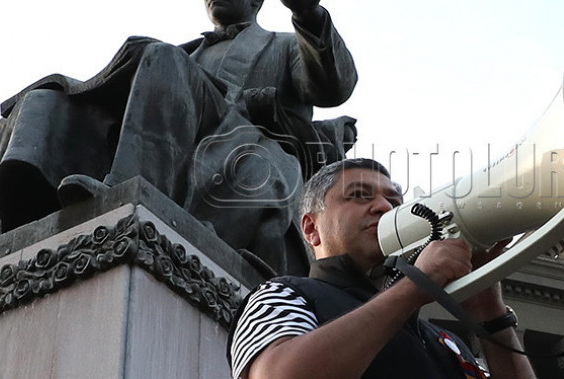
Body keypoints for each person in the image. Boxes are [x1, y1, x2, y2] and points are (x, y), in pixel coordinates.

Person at [0, 0, 357, 277]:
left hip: (238, 146)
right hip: (181, 142)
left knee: (161, 55)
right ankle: (10, 231)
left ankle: (126, 193)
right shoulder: (187, 53)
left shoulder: (284, 45)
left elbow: (332, 87)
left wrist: (307, 14)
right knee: (45, 98)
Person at [228, 158, 537, 378]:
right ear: (311, 228)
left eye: (394, 202)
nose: (384, 208)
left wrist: (490, 315)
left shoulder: (447, 343)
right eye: (358, 196)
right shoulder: (282, 295)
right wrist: (414, 285)